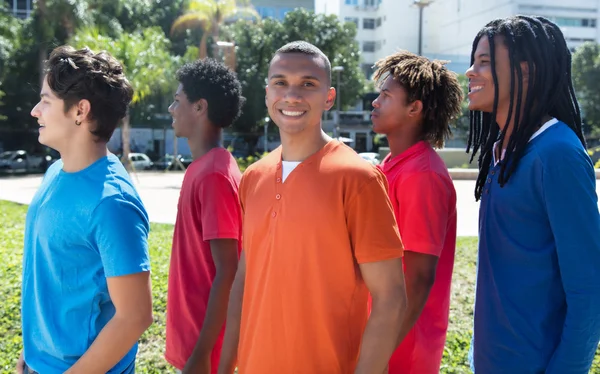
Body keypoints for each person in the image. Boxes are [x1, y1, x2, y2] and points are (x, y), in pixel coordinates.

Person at [217, 40, 407, 374]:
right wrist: (226, 366)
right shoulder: (253, 177)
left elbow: (391, 299)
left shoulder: (359, 179)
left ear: (329, 97)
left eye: (308, 84)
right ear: (266, 94)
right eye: (280, 83)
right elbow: (244, 281)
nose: (292, 95)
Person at [465, 15, 600, 373]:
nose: (470, 72)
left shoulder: (557, 154)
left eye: (485, 62)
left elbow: (589, 291)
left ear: (525, 71)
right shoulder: (501, 150)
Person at [19, 45, 153, 374]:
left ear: (80, 110)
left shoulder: (112, 203)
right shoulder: (56, 173)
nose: (36, 111)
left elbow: (135, 316)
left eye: (46, 101)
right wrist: (33, 353)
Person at [370, 50, 462, 373]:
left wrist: (379, 352)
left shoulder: (422, 175)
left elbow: (419, 278)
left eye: (385, 95)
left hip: (404, 350)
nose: (375, 102)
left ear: (414, 108)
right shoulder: (393, 165)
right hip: (384, 337)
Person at [164, 58, 245, 374]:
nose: (171, 108)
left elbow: (229, 270)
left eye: (177, 100)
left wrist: (201, 355)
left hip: (205, 352)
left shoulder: (214, 174)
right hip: (193, 343)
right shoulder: (202, 167)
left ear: (200, 107)